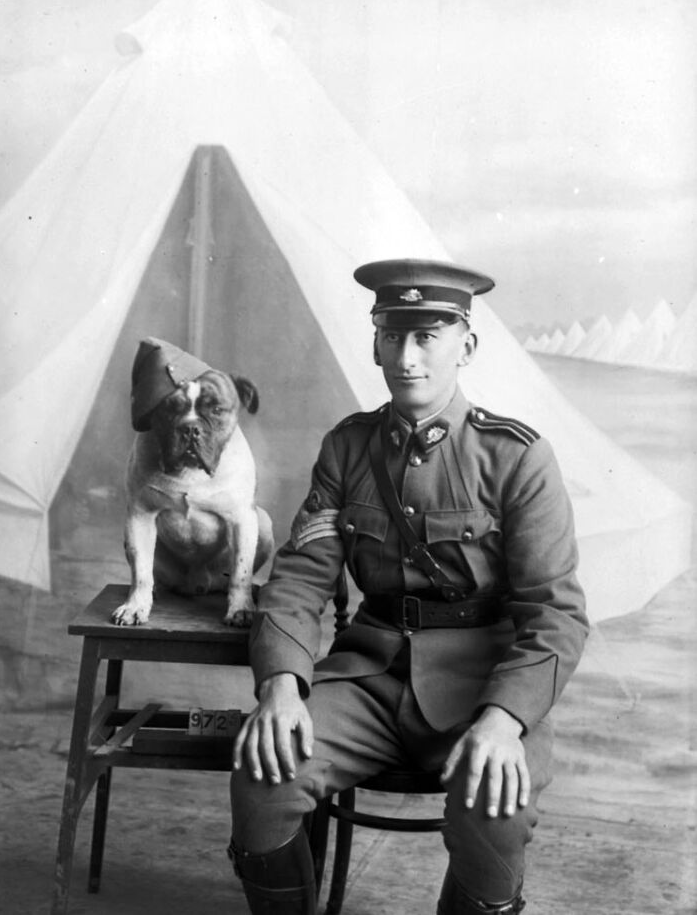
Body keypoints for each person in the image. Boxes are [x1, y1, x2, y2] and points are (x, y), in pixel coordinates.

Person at [229, 258, 589, 914]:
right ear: (374, 343)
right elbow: (300, 579)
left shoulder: (515, 457)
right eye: (393, 335)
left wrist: (505, 723)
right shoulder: (347, 448)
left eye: (428, 336)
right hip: (370, 675)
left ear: (467, 346)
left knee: (494, 803)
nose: (407, 356)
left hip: (483, 685)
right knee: (265, 771)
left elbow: (556, 614)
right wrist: (281, 689)